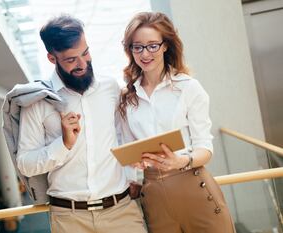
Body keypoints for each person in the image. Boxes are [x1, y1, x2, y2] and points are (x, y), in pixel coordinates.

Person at [16, 15, 146, 233]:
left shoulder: (110, 88)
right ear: (51, 58)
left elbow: (122, 136)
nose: (83, 63)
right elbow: (25, 163)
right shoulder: (38, 101)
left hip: (121, 211)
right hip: (69, 219)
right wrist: (64, 143)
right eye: (71, 59)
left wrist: (133, 177)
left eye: (85, 53)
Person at [118, 12, 236, 233]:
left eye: (152, 45)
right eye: (138, 47)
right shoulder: (127, 97)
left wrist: (181, 161)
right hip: (153, 196)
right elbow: (127, 149)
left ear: (165, 46)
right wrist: (134, 165)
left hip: (193, 186)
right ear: (130, 50)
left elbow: (206, 149)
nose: (145, 53)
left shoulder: (188, 88)